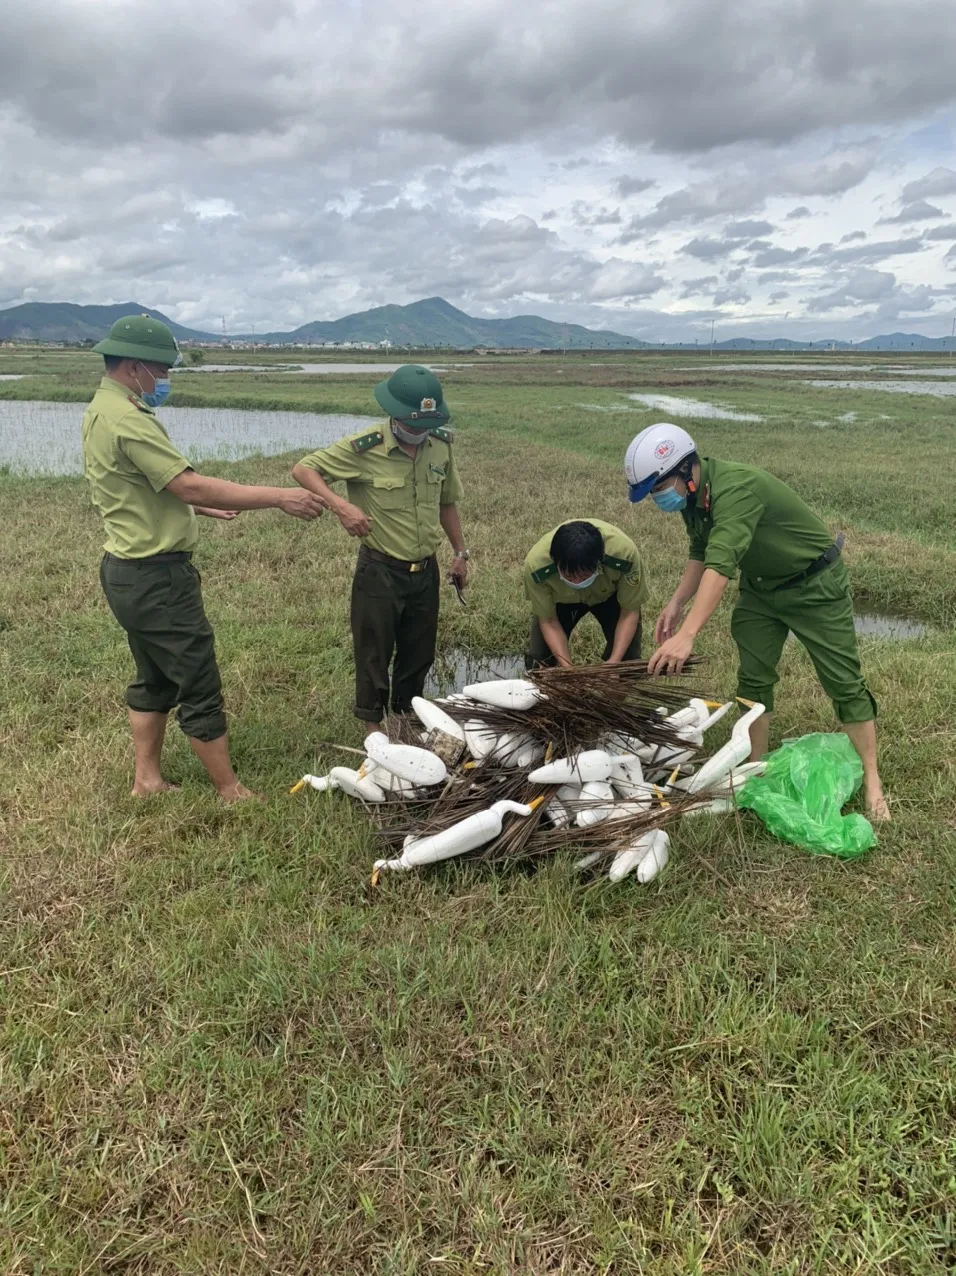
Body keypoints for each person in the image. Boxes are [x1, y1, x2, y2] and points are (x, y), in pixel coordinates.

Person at [83, 314, 324, 800]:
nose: (165, 380)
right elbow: (185, 480)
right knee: (197, 678)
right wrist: (279, 496)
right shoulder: (129, 420)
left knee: (153, 677)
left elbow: (133, 485)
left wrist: (193, 504)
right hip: (156, 578)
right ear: (134, 367)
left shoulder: (101, 410)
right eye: (162, 371)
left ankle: (146, 781)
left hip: (126, 571)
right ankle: (230, 790)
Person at [624, 422, 890, 820]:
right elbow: (701, 548)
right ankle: (756, 770)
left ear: (685, 472)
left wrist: (688, 634)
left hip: (814, 584)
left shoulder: (737, 489)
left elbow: (720, 564)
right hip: (762, 590)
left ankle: (873, 781)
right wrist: (678, 602)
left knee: (843, 682)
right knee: (753, 680)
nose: (658, 499)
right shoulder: (694, 500)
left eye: (659, 489)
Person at [291, 364, 468, 734]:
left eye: (426, 424)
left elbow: (447, 502)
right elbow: (304, 470)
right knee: (374, 653)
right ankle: (373, 731)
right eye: (413, 424)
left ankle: (404, 721)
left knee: (419, 653)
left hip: (426, 569)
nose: (419, 432)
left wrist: (460, 552)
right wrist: (340, 506)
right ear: (394, 415)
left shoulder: (440, 446)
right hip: (380, 571)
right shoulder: (364, 447)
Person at [523, 519, 647, 668]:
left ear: (599, 562)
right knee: (540, 658)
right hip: (561, 599)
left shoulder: (624, 555)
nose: (577, 582)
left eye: (584, 576)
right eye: (569, 576)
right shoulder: (537, 566)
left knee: (628, 660)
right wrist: (568, 669)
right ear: (555, 563)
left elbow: (629, 612)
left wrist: (615, 662)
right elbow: (548, 621)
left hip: (610, 596)